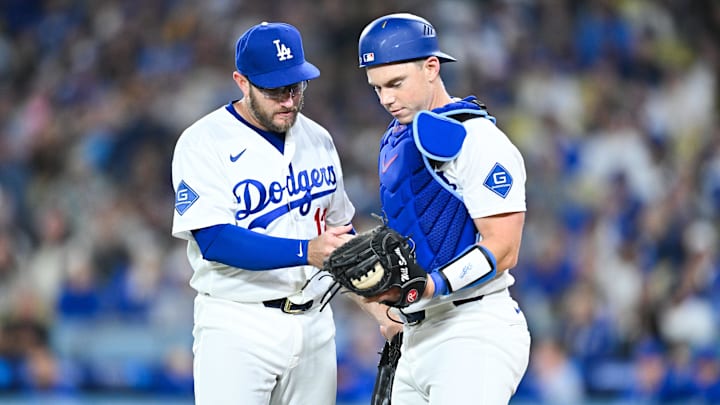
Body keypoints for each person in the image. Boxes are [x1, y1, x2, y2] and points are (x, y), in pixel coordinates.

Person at [170, 21, 355, 405]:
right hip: (238, 323)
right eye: (274, 90)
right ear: (241, 81)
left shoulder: (319, 138)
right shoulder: (203, 141)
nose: (288, 100)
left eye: (296, 86)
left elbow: (339, 229)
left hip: (316, 322)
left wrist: (376, 304)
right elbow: (215, 239)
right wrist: (307, 251)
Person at [355, 13, 532, 404]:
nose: (386, 98)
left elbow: (504, 248)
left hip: (474, 328)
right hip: (417, 332)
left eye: (395, 83)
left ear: (431, 67)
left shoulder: (478, 139)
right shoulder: (398, 140)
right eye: (377, 87)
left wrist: (432, 285)